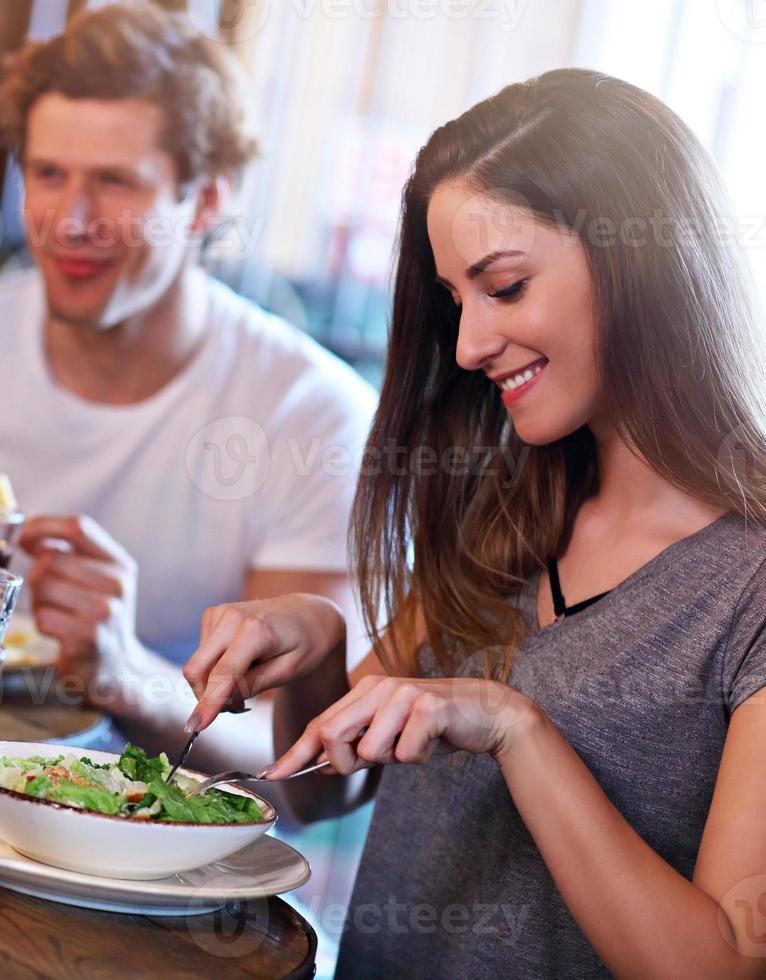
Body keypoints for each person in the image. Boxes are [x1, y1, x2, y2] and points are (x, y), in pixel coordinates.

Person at [184, 68, 766, 977]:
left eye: (506, 286)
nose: (467, 346)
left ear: (640, 258)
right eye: (457, 300)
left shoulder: (749, 586)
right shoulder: (509, 508)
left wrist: (513, 726)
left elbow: (726, 963)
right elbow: (316, 798)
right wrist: (318, 641)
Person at [0, 3, 375, 777]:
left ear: (207, 199)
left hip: (151, 865)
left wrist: (126, 674)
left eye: (115, 183)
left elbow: (306, 767)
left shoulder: (311, 415)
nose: (71, 220)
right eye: (48, 174)